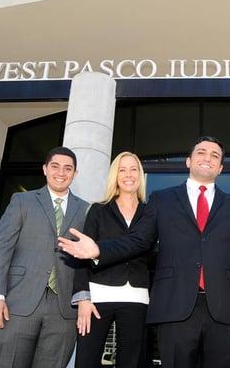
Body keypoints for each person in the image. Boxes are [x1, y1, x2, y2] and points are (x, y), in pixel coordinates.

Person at [58, 136, 230, 368]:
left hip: (224, 311)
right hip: (175, 307)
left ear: (220, 168)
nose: (208, 158)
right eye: (201, 153)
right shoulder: (162, 199)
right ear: (188, 162)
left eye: (215, 156)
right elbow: (138, 241)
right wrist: (98, 250)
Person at [0, 146, 89, 368]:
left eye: (68, 168)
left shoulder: (86, 210)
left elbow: (87, 261)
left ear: (75, 174)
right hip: (18, 303)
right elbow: (1, 250)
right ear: (45, 169)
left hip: (64, 309)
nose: (61, 172)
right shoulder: (22, 201)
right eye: (55, 166)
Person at [72, 151, 150, 368]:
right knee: (86, 360)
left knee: (132, 363)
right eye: (122, 169)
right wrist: (83, 299)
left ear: (140, 175)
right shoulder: (98, 210)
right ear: (115, 175)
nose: (128, 174)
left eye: (134, 169)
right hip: (97, 298)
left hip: (137, 297)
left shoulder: (150, 212)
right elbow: (81, 256)